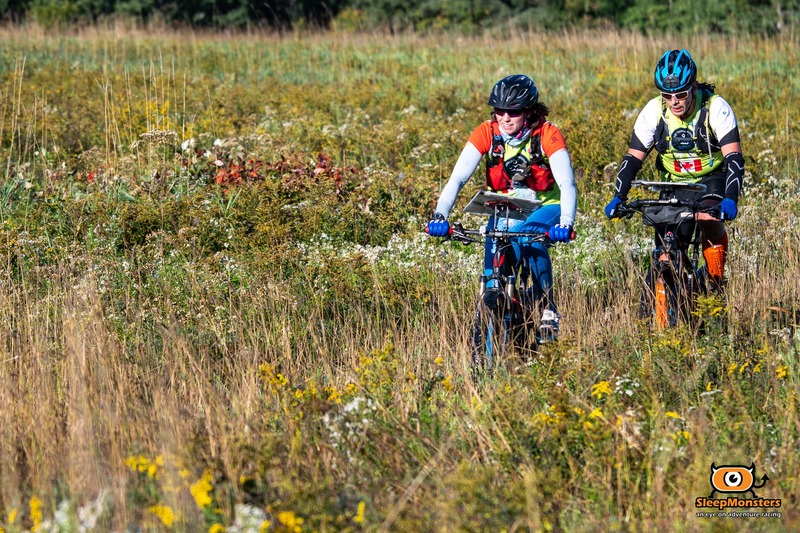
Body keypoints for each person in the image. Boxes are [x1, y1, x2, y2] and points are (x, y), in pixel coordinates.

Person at [427, 74, 578, 342]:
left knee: (531, 236)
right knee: (492, 268)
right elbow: (458, 178)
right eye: (499, 110)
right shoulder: (487, 131)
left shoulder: (547, 134)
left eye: (513, 112)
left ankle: (547, 307)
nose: (505, 118)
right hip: (504, 206)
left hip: (546, 204)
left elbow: (567, 183)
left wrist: (565, 222)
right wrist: (440, 215)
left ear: (529, 111)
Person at [604, 49, 744, 291]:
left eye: (680, 94)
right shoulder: (654, 111)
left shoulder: (715, 107)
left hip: (711, 178)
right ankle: (664, 320)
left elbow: (734, 159)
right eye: (667, 96)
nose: (674, 102)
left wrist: (730, 199)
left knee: (707, 218)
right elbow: (632, 159)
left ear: (694, 87)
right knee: (665, 253)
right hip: (674, 182)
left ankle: (715, 282)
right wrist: (619, 196)